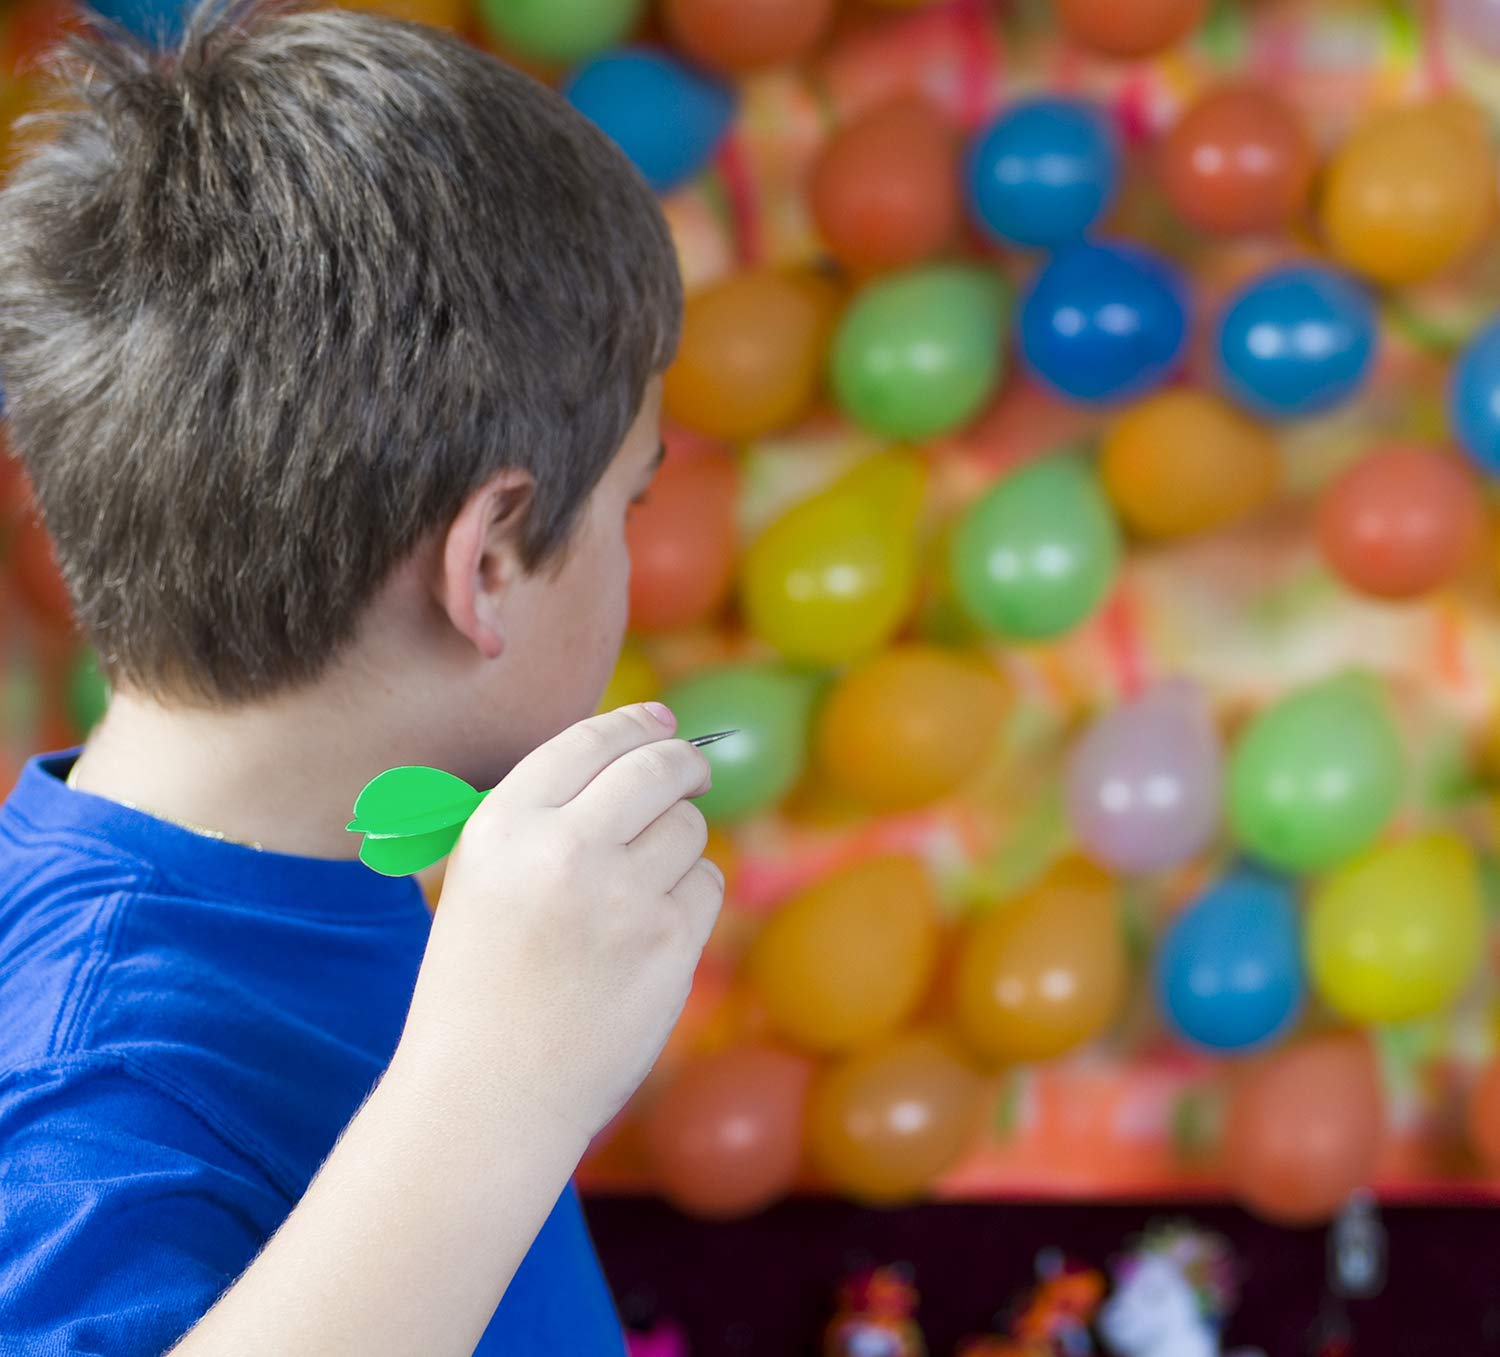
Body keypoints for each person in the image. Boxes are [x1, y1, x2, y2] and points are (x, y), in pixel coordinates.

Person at [0, 3, 720, 1353]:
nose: (630, 550)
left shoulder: (332, 859)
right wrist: (498, 1089)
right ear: (488, 561)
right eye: (628, 502)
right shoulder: (77, 1088)